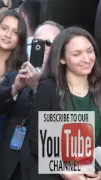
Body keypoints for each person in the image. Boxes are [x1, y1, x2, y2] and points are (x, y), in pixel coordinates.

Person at [0, 20, 63, 180]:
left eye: (48, 43)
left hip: (40, 171)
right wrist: (15, 89)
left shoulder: (65, 85)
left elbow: (58, 133)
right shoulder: (16, 76)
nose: (41, 47)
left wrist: (38, 89)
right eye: (37, 41)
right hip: (7, 167)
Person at [27, 27, 101, 180]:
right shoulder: (49, 88)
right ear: (62, 59)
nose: (86, 59)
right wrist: (64, 171)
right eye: (77, 54)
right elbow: (36, 140)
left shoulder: (99, 87)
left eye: (90, 51)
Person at [0, 10, 27, 164]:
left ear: (20, 39)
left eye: (15, 32)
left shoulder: (20, 71)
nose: (8, 35)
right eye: (4, 28)